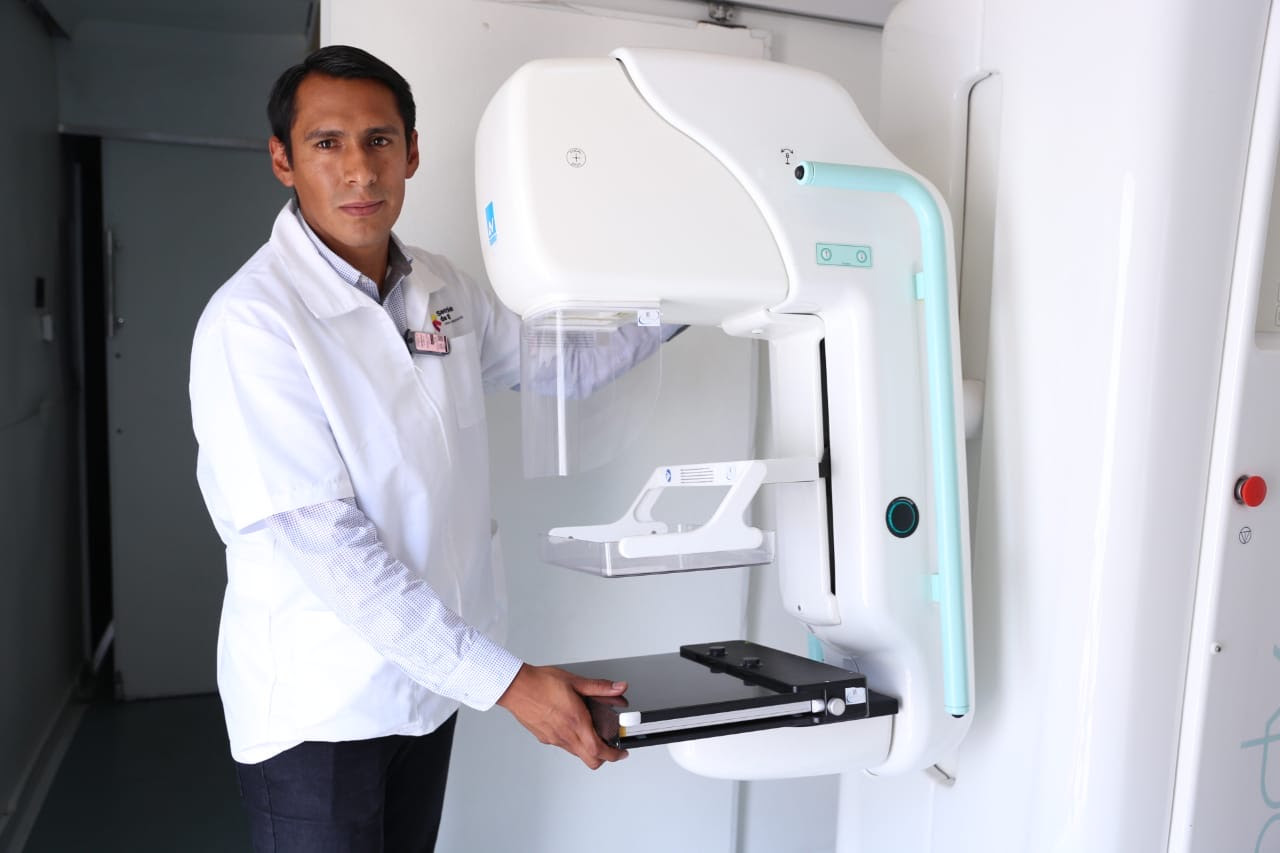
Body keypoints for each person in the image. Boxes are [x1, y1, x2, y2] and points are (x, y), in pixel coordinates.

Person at [189, 44, 642, 852]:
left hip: (429, 690)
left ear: (412, 151)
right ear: (283, 160)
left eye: (379, 140)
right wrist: (509, 682)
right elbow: (330, 547)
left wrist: (693, 291)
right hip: (321, 714)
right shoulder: (252, 323)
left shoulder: (440, 288)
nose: (360, 169)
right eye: (327, 143)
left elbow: (563, 366)